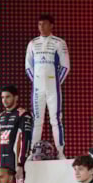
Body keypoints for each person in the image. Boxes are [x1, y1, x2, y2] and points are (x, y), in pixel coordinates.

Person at [25, 14, 70, 159]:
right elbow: (28, 66)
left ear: (51, 26)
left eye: (44, 24)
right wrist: (36, 82)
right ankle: (32, 153)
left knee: (56, 120)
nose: (41, 27)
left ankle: (60, 152)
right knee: (37, 120)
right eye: (39, 24)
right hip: (37, 89)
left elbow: (65, 66)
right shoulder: (32, 43)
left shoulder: (59, 43)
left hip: (53, 89)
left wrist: (55, 83)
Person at [0, 85, 33, 183]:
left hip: (16, 163)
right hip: (2, 163)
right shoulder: (1, 116)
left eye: (8, 97)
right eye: (2, 97)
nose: (4, 100)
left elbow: (26, 140)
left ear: (16, 97)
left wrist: (21, 164)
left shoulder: (23, 115)